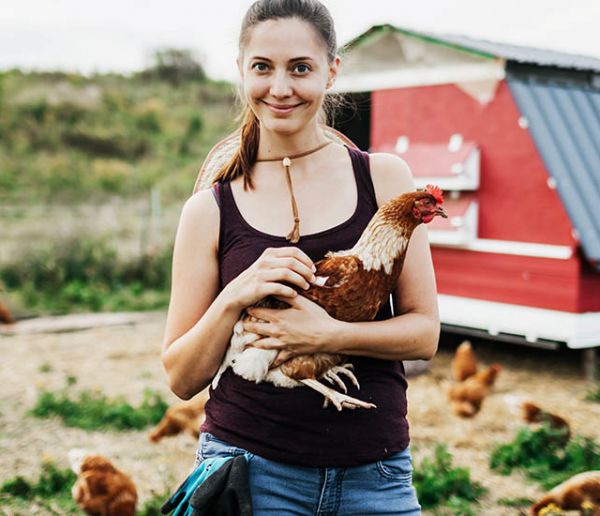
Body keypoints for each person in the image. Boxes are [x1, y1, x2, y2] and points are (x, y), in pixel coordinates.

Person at [161, 0, 440, 513]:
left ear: (332, 71)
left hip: (373, 475)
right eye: (262, 67)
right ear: (241, 73)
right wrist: (233, 297)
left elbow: (424, 334)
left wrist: (331, 335)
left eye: (301, 68)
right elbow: (180, 377)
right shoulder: (209, 208)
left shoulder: (383, 178)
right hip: (248, 468)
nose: (281, 88)